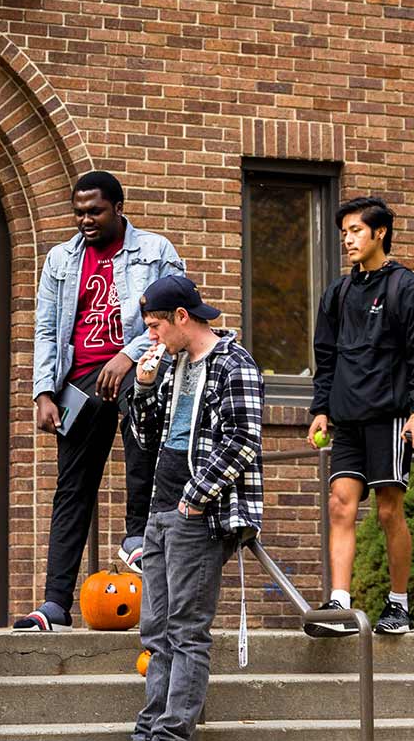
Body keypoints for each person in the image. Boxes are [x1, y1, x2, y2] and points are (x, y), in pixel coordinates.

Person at [16, 170, 185, 631]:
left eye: (95, 211)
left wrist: (127, 357)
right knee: (71, 488)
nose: (85, 220)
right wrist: (44, 392)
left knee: (142, 433)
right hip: (78, 382)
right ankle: (55, 603)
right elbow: (47, 329)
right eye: (79, 212)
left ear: (118, 207)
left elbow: (174, 317)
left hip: (138, 366)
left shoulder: (155, 252)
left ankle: (134, 534)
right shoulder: (60, 259)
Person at [125, 275, 264, 741]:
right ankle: (149, 728)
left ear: (181, 317)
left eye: (155, 325)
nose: (151, 335)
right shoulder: (173, 365)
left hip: (197, 514)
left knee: (185, 631)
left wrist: (195, 497)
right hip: (160, 512)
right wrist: (143, 389)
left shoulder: (233, 363)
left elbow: (244, 441)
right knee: (155, 632)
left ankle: (171, 733)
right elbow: (146, 442)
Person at [305, 196, 414, 638]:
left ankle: (399, 605)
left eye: (355, 230)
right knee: (339, 504)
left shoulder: (408, 288)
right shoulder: (338, 293)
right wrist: (321, 408)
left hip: (390, 416)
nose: (347, 238)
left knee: (388, 511)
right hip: (347, 418)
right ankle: (341, 605)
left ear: (379, 232)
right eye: (343, 232)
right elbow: (325, 357)